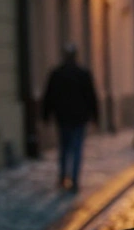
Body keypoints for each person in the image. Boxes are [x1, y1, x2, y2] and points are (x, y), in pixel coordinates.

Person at [42, 43, 99, 193]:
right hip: (79, 118)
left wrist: (46, 115)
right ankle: (74, 179)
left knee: (64, 148)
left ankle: (62, 176)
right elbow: (91, 96)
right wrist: (95, 116)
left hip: (63, 117)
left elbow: (49, 96)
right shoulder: (83, 73)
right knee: (76, 148)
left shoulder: (56, 73)